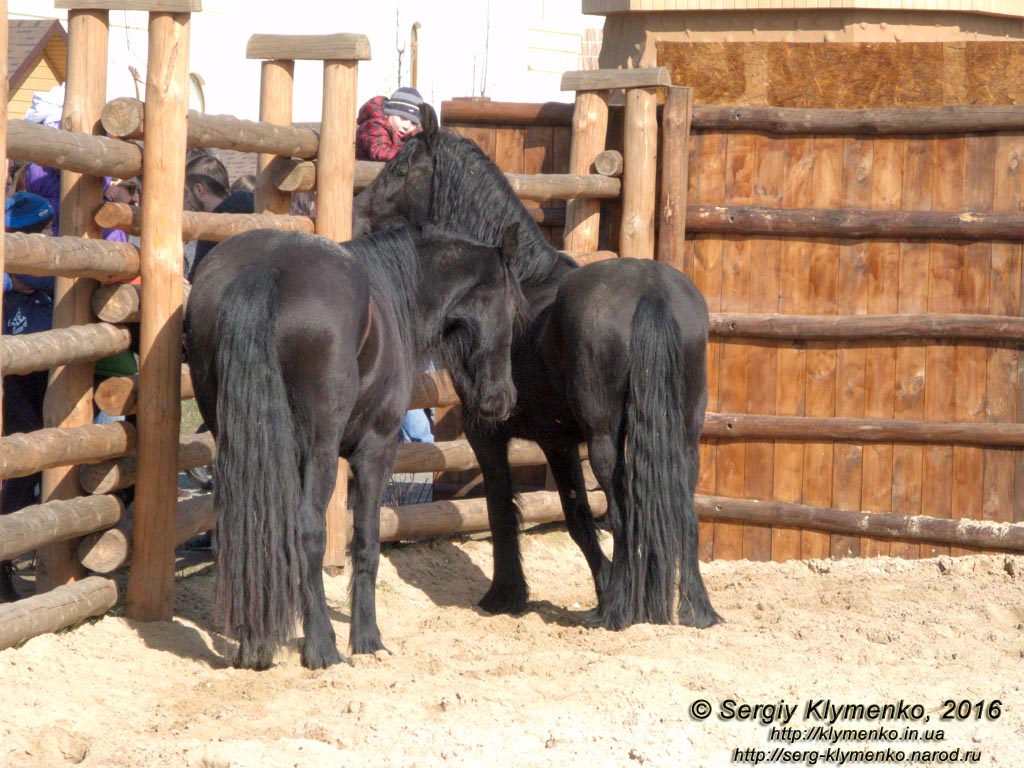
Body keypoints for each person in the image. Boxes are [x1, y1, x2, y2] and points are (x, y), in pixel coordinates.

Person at [2, 192, 57, 602]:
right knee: (24, 474)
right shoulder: (30, 276)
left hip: (41, 388)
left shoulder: (45, 277)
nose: (50, 237)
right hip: (22, 391)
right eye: (43, 231)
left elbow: (37, 277)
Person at [183, 153, 254, 282]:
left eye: (187, 192)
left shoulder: (211, 231)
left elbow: (197, 284)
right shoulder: (253, 206)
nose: (187, 200)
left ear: (199, 190)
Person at [355, 87, 424, 162]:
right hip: (361, 171)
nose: (407, 126)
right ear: (388, 113)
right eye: (403, 118)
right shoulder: (374, 126)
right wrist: (413, 157)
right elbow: (380, 152)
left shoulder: (411, 134)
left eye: (413, 123)